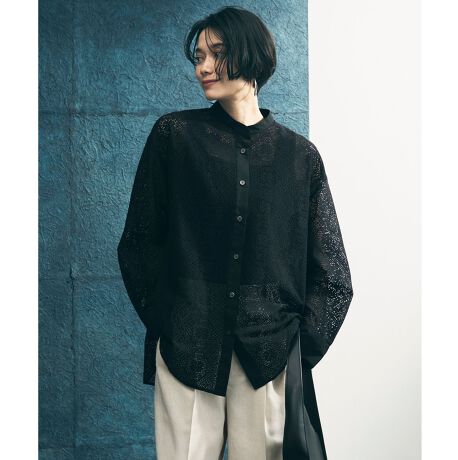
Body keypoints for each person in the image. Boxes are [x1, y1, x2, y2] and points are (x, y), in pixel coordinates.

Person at [117, 6, 353, 460]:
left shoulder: (300, 157)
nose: (202, 68)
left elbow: (333, 275)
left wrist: (296, 352)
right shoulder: (174, 136)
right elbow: (138, 244)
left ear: (251, 54)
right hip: (187, 350)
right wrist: (170, 321)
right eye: (198, 57)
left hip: (268, 357)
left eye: (216, 54)